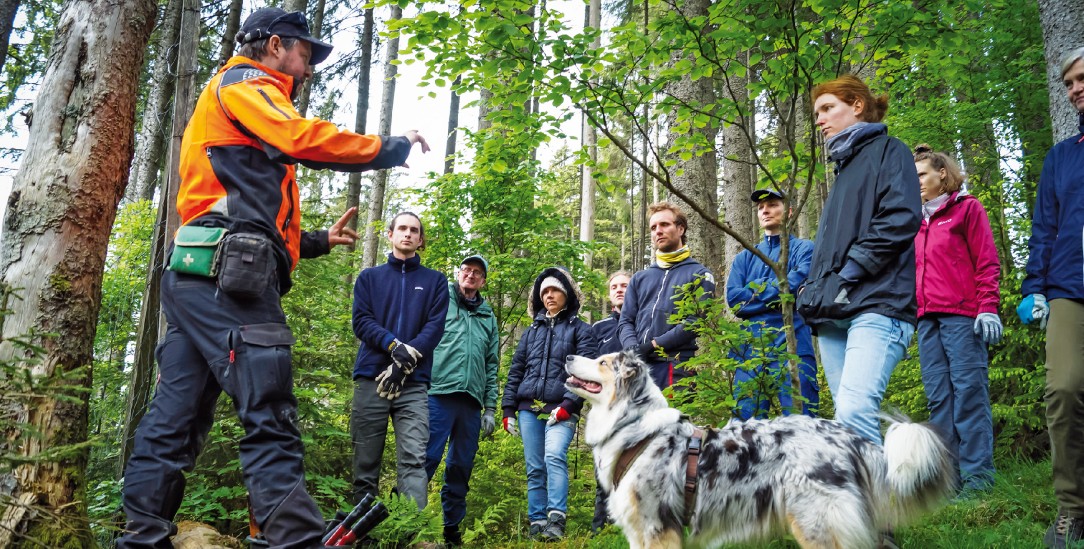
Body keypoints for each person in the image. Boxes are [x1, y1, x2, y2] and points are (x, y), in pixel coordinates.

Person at [118, 7, 428, 548]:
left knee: (176, 417)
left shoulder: (240, 99)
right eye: (305, 53)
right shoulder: (246, 81)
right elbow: (298, 138)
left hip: (202, 273)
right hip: (229, 277)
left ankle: (142, 538)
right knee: (268, 405)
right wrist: (389, 147)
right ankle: (292, 539)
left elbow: (239, 203)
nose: (308, 68)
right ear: (276, 44)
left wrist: (314, 242)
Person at [795, 75, 921, 446]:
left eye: (827, 108)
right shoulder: (843, 170)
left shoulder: (890, 151)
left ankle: (879, 502)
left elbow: (900, 217)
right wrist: (814, 288)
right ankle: (865, 503)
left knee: (854, 410)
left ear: (857, 105)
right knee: (846, 425)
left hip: (879, 303)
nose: (819, 120)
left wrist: (850, 272)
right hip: (834, 311)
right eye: (817, 112)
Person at [1017, 46, 1084, 548]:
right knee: (1063, 390)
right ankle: (1071, 508)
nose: (1075, 89)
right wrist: (1034, 287)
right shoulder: (1062, 157)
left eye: (1081, 79)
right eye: (1069, 84)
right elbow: (1044, 228)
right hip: (1070, 290)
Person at [912, 145, 1001, 496]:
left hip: (963, 315)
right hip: (925, 319)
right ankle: (949, 483)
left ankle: (979, 480)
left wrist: (988, 306)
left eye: (921, 175)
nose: (915, 181)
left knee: (969, 395)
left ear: (942, 175)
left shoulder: (967, 209)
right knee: (939, 400)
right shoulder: (914, 221)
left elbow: (986, 261)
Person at [351, 212, 448, 513]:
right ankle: (362, 536)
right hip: (372, 378)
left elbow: (434, 328)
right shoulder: (369, 278)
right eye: (402, 228)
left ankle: (412, 533)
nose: (407, 234)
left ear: (420, 241)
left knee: (414, 459)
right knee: (366, 462)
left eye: (414, 230)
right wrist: (394, 346)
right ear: (390, 234)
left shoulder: (435, 281)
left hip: (414, 385)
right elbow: (362, 322)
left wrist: (404, 363)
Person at [502, 267, 598, 541]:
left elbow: (586, 373)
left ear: (566, 294)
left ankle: (556, 520)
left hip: (562, 409)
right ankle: (537, 522)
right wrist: (508, 409)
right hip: (528, 409)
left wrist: (569, 405)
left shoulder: (582, 330)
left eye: (554, 289)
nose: (549, 295)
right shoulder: (531, 332)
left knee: (554, 456)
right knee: (535, 467)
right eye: (544, 291)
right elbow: (516, 371)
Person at [424, 255, 499, 547]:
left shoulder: (487, 315)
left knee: (460, 467)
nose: (470, 275)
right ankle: (402, 520)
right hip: (437, 394)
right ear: (458, 273)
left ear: (483, 281)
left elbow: (492, 363)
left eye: (477, 272)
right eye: (466, 270)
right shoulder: (441, 299)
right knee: (424, 460)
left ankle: (451, 530)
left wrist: (490, 407)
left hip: (471, 403)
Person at [726, 189, 818, 419]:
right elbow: (735, 301)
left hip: (793, 344)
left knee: (801, 422)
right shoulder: (745, 257)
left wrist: (755, 288)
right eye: (760, 207)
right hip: (750, 349)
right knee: (746, 426)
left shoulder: (804, 249)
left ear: (787, 212)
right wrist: (776, 290)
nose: (765, 210)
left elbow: (794, 288)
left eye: (772, 205)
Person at [618, 202, 715, 389]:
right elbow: (625, 320)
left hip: (676, 365)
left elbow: (695, 322)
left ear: (680, 229)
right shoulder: (640, 278)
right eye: (653, 227)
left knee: (672, 419)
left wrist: (653, 345)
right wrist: (632, 348)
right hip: (637, 368)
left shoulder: (700, 274)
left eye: (664, 225)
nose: (658, 231)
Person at [589, 270, 630, 534]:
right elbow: (590, 371)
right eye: (614, 286)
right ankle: (599, 529)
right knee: (603, 466)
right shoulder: (599, 328)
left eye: (624, 285)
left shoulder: (643, 323)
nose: (618, 290)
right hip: (605, 409)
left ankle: (626, 525)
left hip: (635, 408)